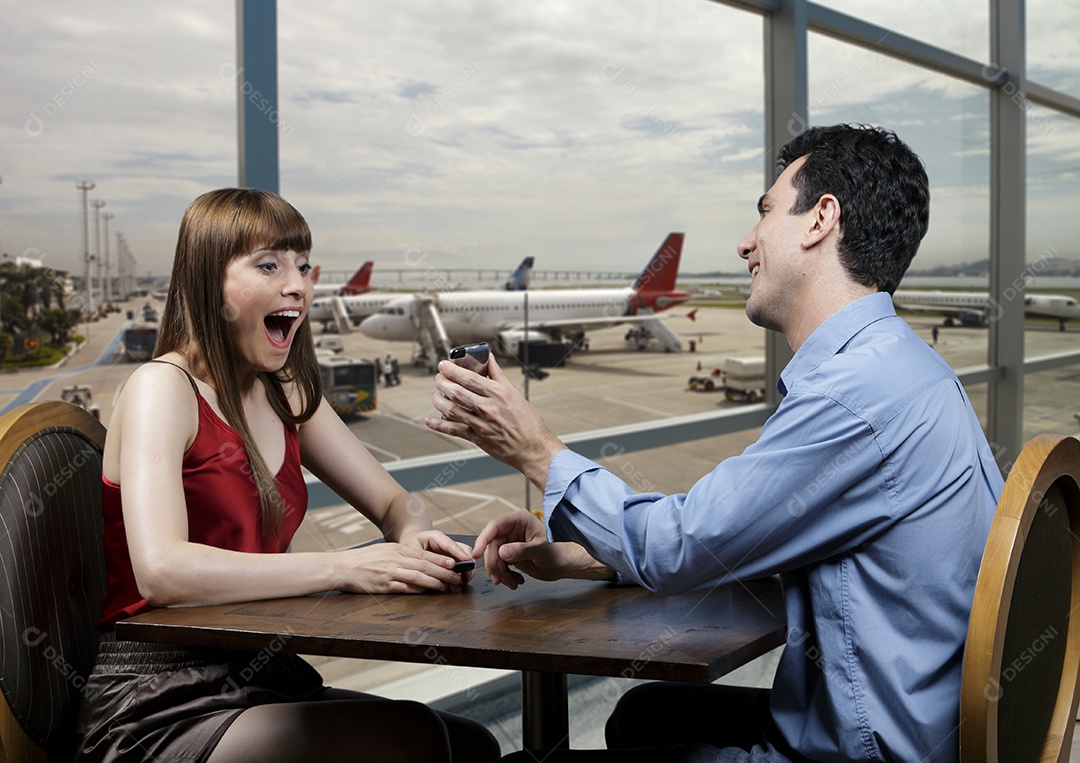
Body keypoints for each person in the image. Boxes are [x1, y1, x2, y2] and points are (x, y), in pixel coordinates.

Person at [426, 125, 1004, 762]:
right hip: (911, 724)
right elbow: (744, 534)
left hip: (864, 748)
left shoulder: (852, 396)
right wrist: (587, 555)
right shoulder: (904, 367)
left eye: (765, 213)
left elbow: (681, 548)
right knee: (647, 712)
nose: (745, 243)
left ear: (821, 220)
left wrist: (535, 451)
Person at [75, 189, 501, 763]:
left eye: (303, 266)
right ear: (208, 282)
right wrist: (347, 567)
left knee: (472, 745)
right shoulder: (161, 388)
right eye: (269, 265)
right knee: (415, 738)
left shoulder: (286, 392)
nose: (298, 285)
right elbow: (162, 571)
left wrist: (411, 545)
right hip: (158, 696)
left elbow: (397, 506)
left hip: (262, 672)